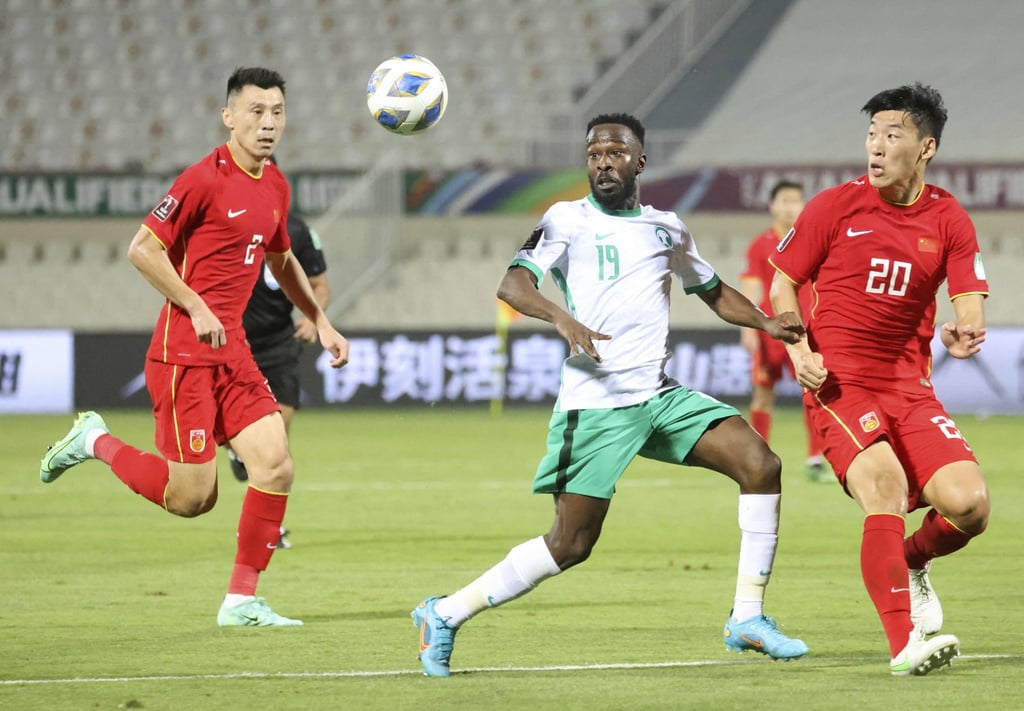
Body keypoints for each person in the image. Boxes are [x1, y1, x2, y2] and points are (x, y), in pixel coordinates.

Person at [411, 113, 809, 677]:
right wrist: (561, 318)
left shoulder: (666, 228)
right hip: (596, 404)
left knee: (761, 464)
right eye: (594, 153)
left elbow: (714, 291)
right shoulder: (565, 219)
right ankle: (445, 613)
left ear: (639, 161)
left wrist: (766, 322)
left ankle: (747, 616)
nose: (603, 162)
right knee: (570, 544)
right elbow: (513, 284)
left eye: (615, 153)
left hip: (659, 396)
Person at [39, 67, 349, 627]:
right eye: (256, 111)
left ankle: (241, 600)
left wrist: (320, 320)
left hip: (234, 352)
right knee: (191, 500)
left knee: (275, 465)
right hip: (183, 354)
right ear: (229, 117)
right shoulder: (202, 180)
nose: (268, 123)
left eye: (277, 112)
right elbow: (141, 249)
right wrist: (197, 305)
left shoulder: (275, 185)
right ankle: (94, 440)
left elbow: (282, 259)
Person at [769, 83, 990, 676]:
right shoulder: (834, 207)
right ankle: (903, 644)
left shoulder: (948, 217)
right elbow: (783, 283)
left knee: (970, 507)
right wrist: (798, 349)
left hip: (911, 388)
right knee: (886, 489)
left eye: (892, 135)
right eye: (871, 134)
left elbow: (969, 298)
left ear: (926, 148)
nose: (876, 146)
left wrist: (964, 331)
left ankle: (913, 561)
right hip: (839, 382)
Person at [226, 208, 331, 550]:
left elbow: (320, 285)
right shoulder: (224, 220)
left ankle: (270, 527)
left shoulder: (298, 231)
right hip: (230, 342)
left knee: (276, 444)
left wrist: (313, 319)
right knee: (245, 446)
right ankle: (237, 450)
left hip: (278, 345)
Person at [738, 180, 828, 481]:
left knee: (813, 390)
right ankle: (757, 456)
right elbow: (751, 287)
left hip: (806, 328)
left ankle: (815, 458)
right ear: (772, 206)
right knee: (763, 394)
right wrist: (748, 328)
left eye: (796, 201)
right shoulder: (760, 244)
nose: (791, 207)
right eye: (785, 201)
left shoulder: (812, 240)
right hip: (771, 330)